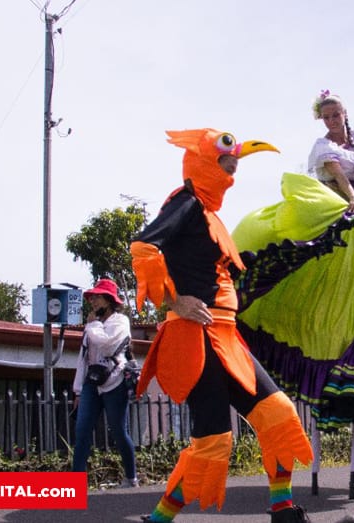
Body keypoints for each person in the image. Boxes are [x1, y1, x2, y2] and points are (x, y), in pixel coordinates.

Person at [130, 129, 313, 523]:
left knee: (279, 415)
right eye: (226, 154)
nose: (236, 161)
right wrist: (175, 301)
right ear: (203, 161)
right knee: (213, 443)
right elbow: (144, 246)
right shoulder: (188, 203)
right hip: (198, 339)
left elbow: (221, 270)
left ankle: (282, 508)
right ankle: (159, 520)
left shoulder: (211, 216)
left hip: (227, 339)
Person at [232, 92, 354, 433]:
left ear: (345, 113)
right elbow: (338, 177)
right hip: (339, 207)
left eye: (335, 115)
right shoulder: (322, 147)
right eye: (326, 116)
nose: (331, 121)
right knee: (309, 253)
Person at [71, 278, 137, 487]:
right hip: (92, 382)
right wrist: (78, 391)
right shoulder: (93, 326)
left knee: (118, 430)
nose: (93, 301)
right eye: (91, 298)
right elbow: (84, 358)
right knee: (82, 431)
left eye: (97, 297)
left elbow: (108, 346)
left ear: (109, 300)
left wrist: (93, 325)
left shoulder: (119, 322)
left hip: (115, 380)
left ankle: (131, 477)